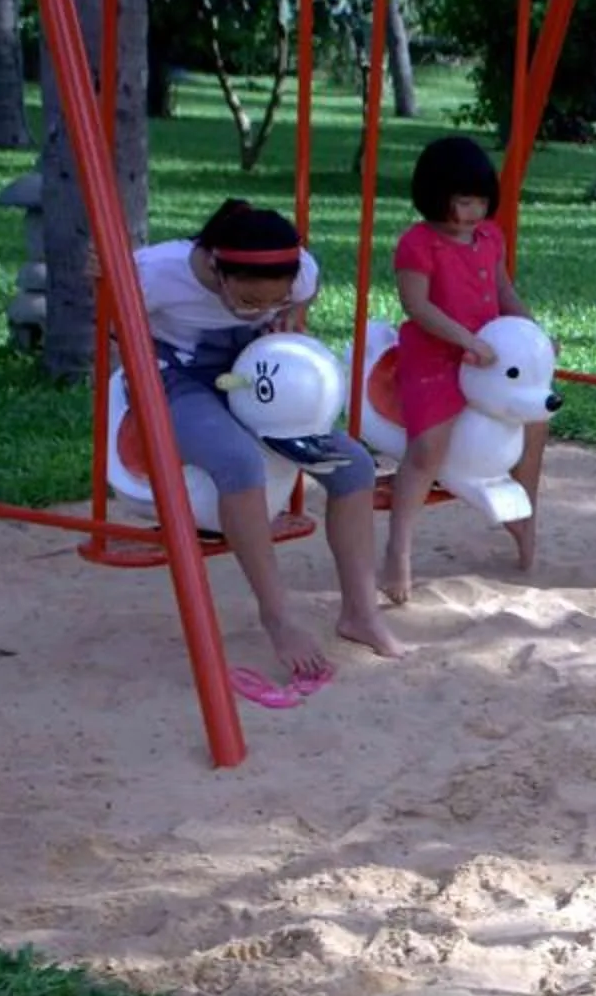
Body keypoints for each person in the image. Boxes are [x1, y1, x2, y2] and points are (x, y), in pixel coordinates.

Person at [121, 200, 404, 684]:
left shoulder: (298, 272)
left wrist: (288, 317)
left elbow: (304, 292)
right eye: (249, 302)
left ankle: (359, 611)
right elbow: (110, 329)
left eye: (272, 300)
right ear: (214, 265)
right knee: (237, 461)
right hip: (173, 379)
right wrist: (103, 283)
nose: (259, 309)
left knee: (353, 465)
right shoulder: (155, 272)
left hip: (252, 375)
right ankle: (278, 615)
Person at [381, 135, 549, 601]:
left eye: (480, 201)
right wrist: (464, 339)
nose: (474, 212)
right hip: (436, 353)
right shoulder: (418, 244)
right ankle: (399, 549)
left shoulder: (490, 236)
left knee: (535, 424)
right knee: (428, 446)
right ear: (438, 197)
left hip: (491, 352)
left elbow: (505, 292)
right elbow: (416, 306)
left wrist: (533, 336)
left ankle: (525, 515)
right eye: (463, 202)